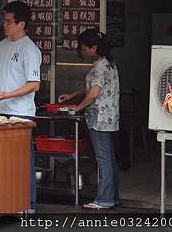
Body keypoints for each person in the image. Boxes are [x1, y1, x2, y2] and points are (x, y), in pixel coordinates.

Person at [0, 0, 41, 213]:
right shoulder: (3, 45)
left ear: (21, 24)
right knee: (2, 160)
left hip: (21, 115)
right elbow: (0, 75)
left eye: (8, 21)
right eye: (5, 21)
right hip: (1, 111)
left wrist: (8, 94)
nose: (4, 25)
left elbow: (34, 84)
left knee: (23, 161)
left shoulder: (30, 49)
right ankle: (6, 201)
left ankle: (28, 204)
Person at [58, 29, 120, 210]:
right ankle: (112, 196)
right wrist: (72, 95)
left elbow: (93, 94)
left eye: (84, 47)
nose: (83, 50)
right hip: (109, 117)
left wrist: (77, 107)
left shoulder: (100, 67)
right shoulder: (108, 63)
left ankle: (104, 199)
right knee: (109, 158)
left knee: (103, 159)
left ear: (94, 47)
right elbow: (93, 88)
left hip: (99, 118)